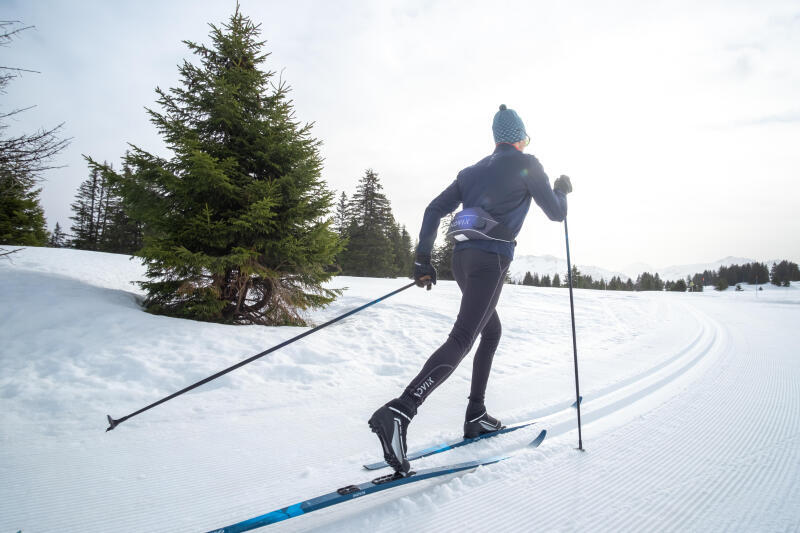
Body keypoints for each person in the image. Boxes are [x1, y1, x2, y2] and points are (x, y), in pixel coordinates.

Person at [368, 104, 572, 475]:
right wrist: (561, 191)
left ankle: (476, 413)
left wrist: (422, 260)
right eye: (525, 138)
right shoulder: (528, 164)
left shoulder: (470, 171)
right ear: (520, 139)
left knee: (490, 331)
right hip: (491, 261)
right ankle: (400, 410)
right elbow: (557, 213)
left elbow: (433, 210)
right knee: (463, 337)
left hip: (461, 261)